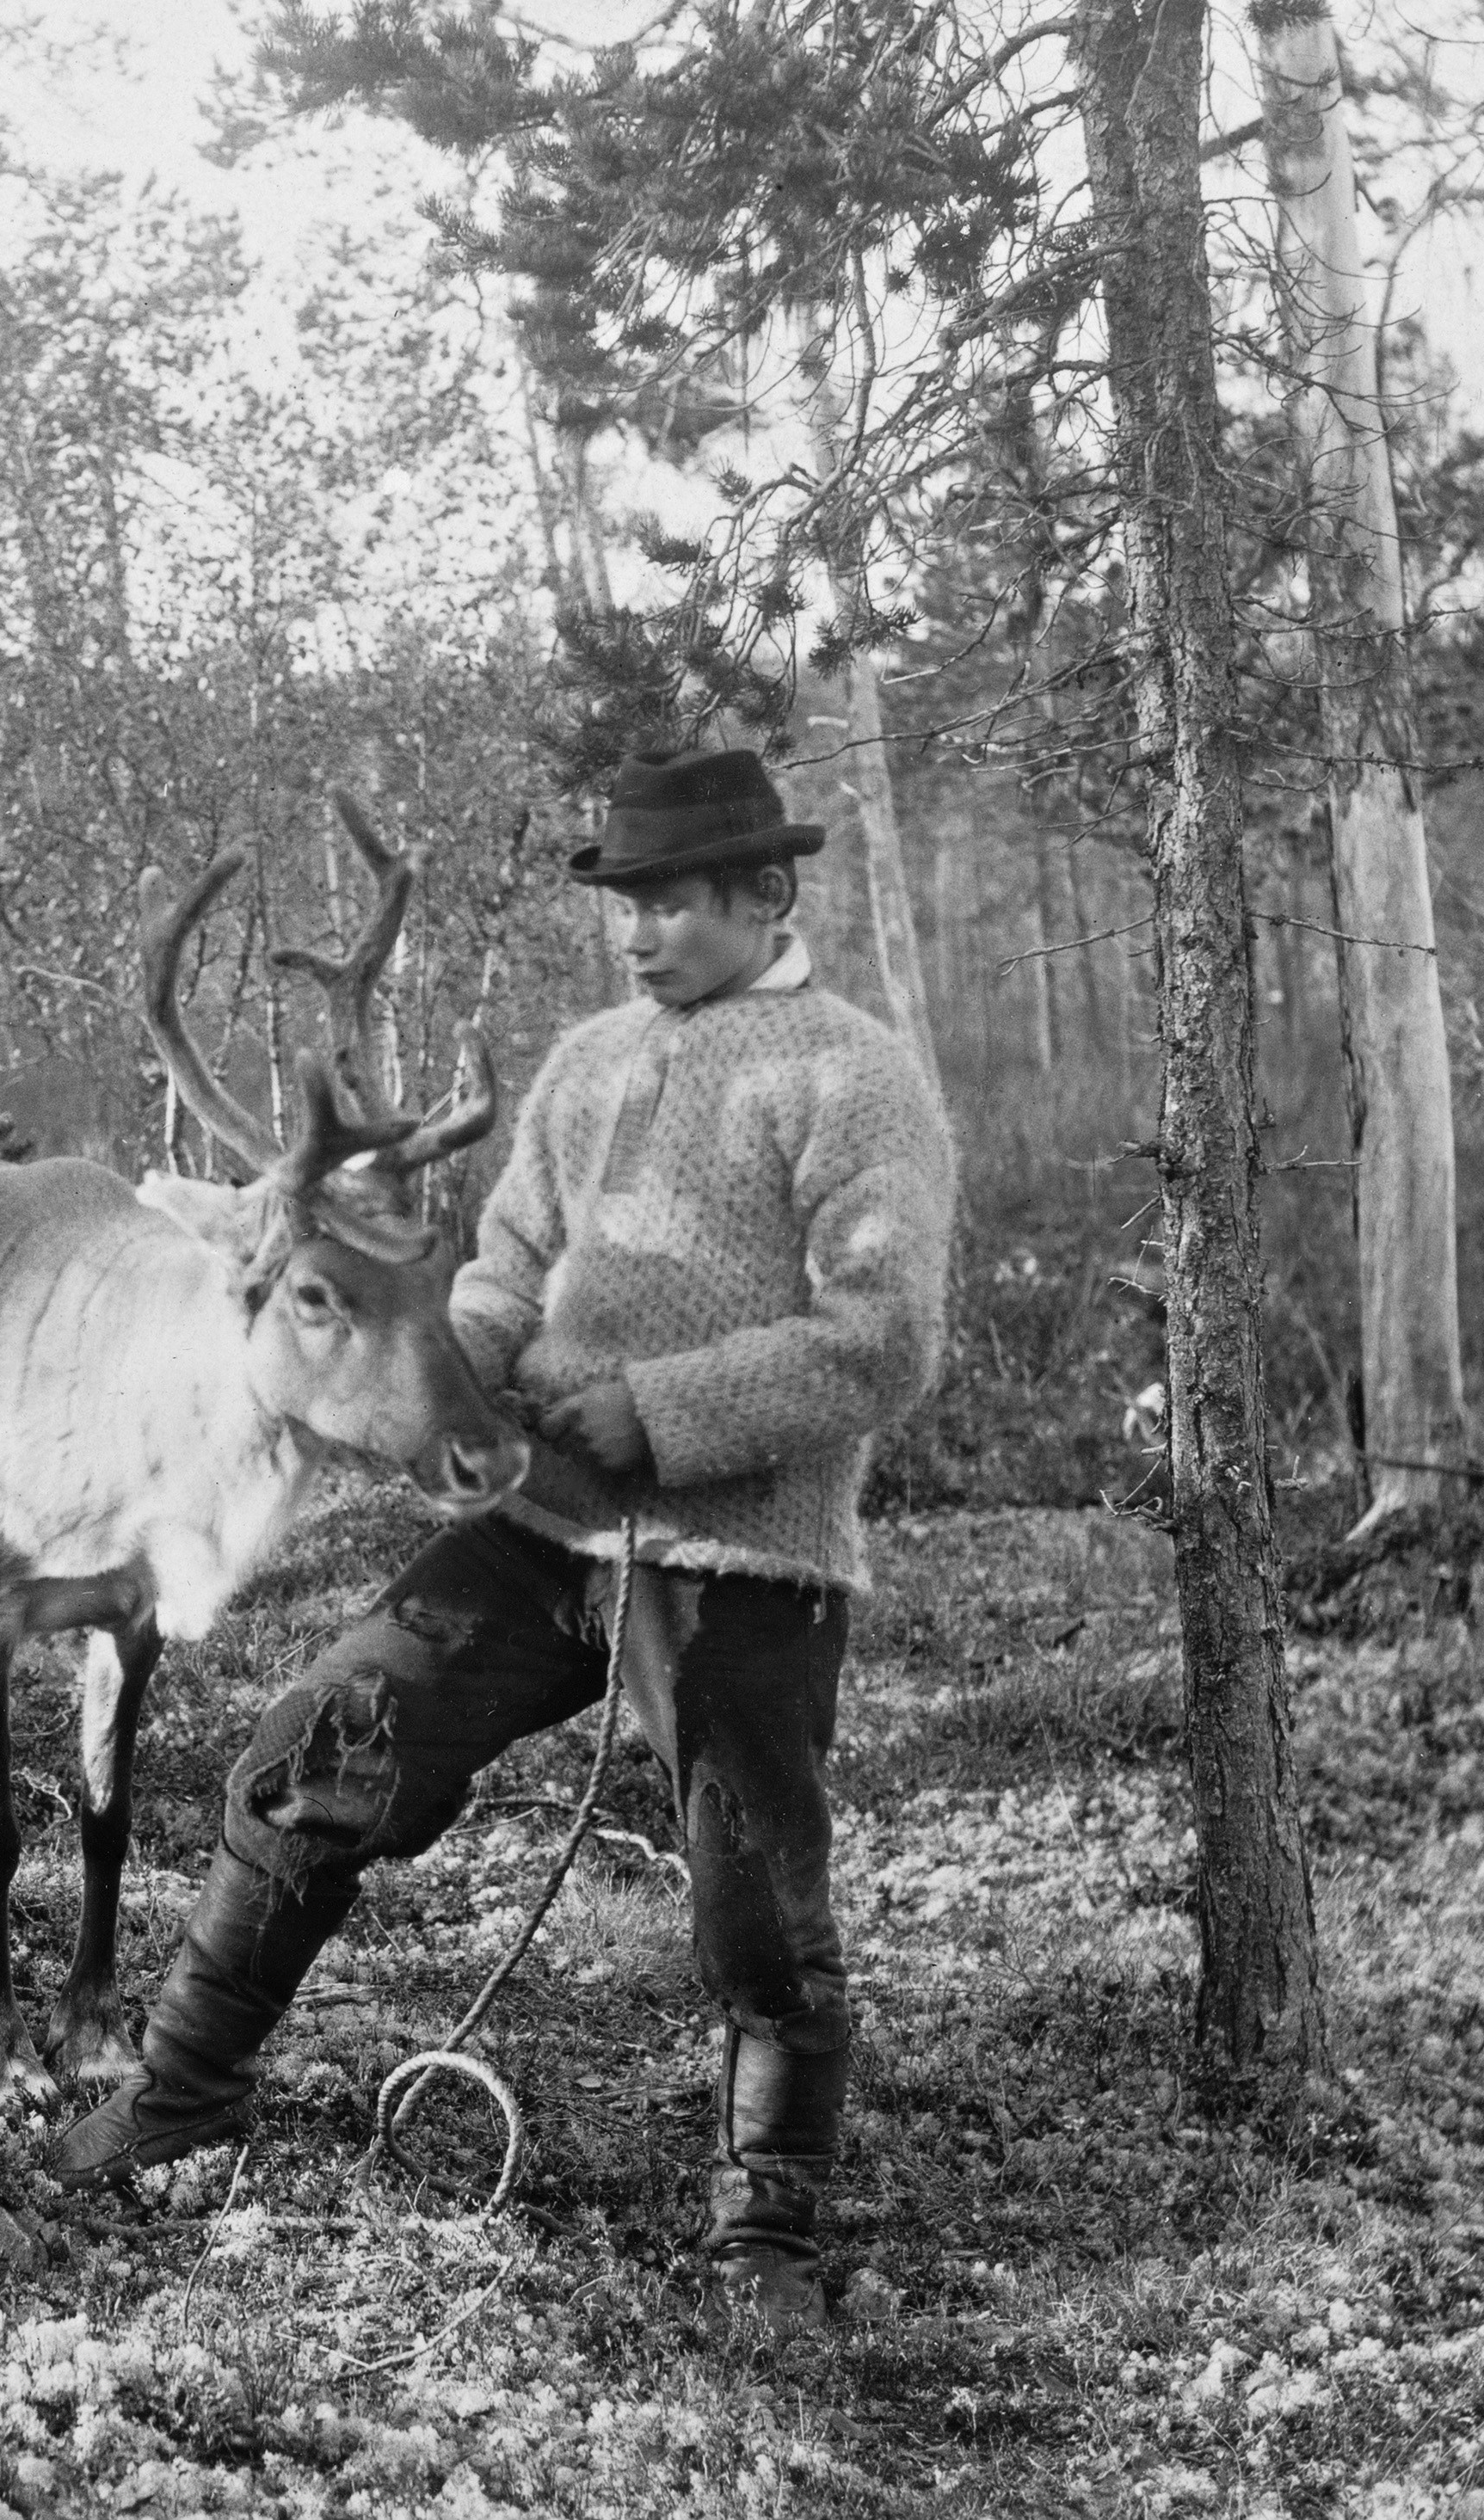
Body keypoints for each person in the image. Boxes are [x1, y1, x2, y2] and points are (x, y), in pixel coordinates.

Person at [52, 746, 958, 2332]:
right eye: (624, 903)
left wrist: (661, 1410)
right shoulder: (588, 1062)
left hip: (743, 1561)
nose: (638, 933)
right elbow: (502, 1268)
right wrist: (448, 1380)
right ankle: (181, 2094)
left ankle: (765, 2235)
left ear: (768, 892)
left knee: (753, 1890)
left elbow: (884, 1336)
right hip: (538, 1530)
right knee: (317, 1744)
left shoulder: (852, 1075)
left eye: (672, 902)